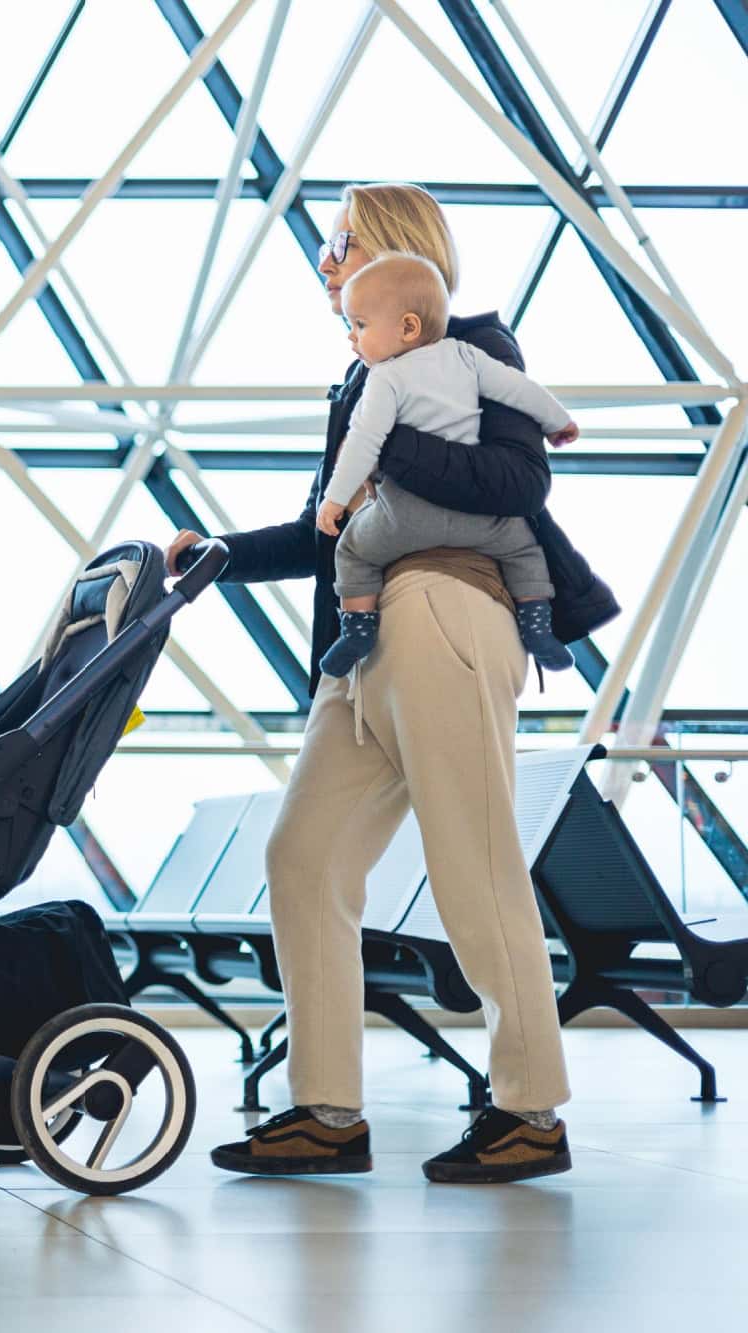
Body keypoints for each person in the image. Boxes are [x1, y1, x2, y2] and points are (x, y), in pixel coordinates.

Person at [168, 183, 614, 1185]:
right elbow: (322, 530)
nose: (324, 262)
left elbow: (515, 483)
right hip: (362, 650)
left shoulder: (475, 348)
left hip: (441, 609)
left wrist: (391, 429)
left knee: (473, 865)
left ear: (394, 248)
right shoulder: (359, 379)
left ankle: (529, 1111)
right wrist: (214, 557)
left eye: (338, 241)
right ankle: (326, 1110)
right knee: (303, 856)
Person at [315, 251, 580, 680]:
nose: (352, 336)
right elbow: (520, 391)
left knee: (353, 551)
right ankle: (537, 627)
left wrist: (333, 500)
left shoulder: (384, 378)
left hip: (405, 518)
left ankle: (357, 631)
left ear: (408, 327)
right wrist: (558, 423)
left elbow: (364, 444)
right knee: (525, 551)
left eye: (360, 325)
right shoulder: (467, 357)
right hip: (481, 521)